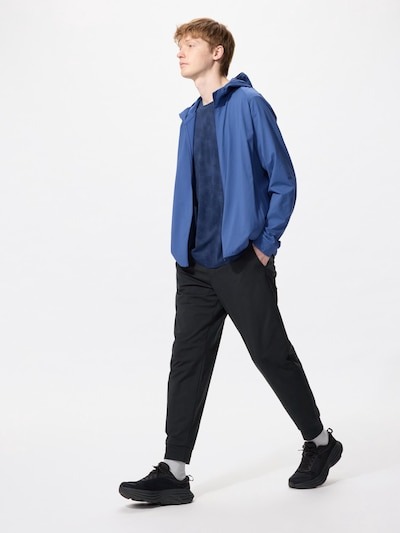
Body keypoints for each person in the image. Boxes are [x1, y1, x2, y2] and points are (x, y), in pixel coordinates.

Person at [119, 17, 343, 506]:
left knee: (270, 353)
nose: (180, 52)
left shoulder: (249, 104)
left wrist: (265, 244)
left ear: (217, 52)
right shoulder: (188, 118)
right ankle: (174, 472)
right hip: (194, 264)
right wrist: (183, 248)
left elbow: (283, 180)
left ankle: (321, 443)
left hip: (241, 259)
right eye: (179, 45)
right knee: (187, 361)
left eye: (190, 44)